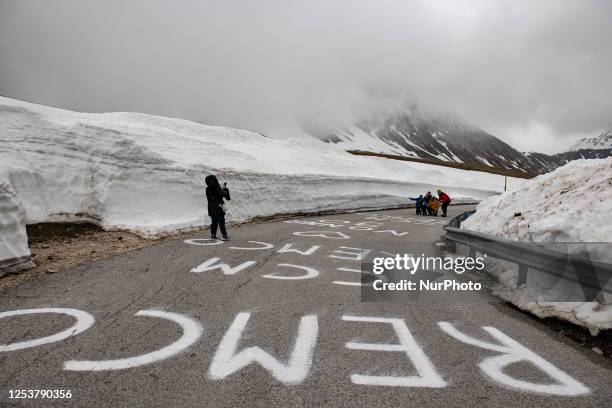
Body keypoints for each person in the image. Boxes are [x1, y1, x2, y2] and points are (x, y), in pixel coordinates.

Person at [205, 175, 231, 240]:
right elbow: (223, 194)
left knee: (214, 222)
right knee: (221, 221)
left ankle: (213, 236)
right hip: (218, 206)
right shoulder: (217, 187)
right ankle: (224, 236)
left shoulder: (207, 188)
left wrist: (220, 189)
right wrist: (225, 190)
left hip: (210, 207)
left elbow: (214, 195)